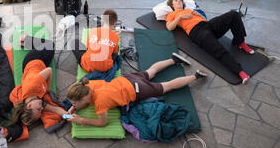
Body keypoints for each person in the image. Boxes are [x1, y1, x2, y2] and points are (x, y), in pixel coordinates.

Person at [66, 56, 207, 127]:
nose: (73, 105)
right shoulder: (87, 84)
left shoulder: (100, 103)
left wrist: (82, 120)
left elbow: (103, 122)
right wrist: (73, 108)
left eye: (74, 102)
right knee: (151, 71)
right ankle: (173, 59)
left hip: (137, 90)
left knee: (166, 86)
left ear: (84, 99)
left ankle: (196, 76)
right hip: (127, 79)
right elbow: (82, 98)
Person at [165, 0, 253, 84]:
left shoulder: (189, 10)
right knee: (218, 49)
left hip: (208, 25)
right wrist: (180, 17)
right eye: (176, 0)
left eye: (180, 0)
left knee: (234, 14)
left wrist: (199, 15)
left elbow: (204, 19)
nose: (179, 1)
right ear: (172, 5)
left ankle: (239, 42)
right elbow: (169, 27)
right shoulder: (172, 14)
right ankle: (240, 72)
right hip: (197, 31)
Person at [9, 34, 70, 126]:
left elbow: (49, 71)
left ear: (29, 106)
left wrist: (48, 90)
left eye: (39, 110)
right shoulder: (36, 103)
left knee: (50, 45)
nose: (42, 109)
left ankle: (25, 38)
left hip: (32, 60)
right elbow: (57, 110)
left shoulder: (33, 85)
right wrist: (69, 117)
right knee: (49, 53)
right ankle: (27, 44)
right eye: (41, 111)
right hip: (36, 67)